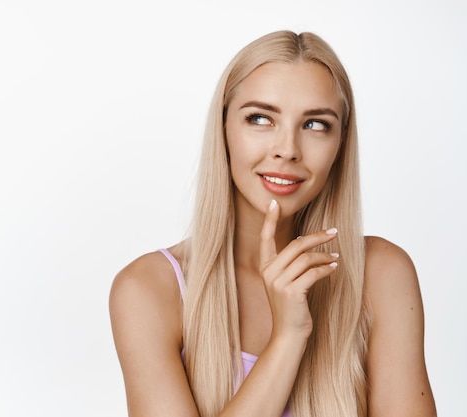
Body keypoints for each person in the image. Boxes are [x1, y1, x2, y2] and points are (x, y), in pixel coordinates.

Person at [109, 30, 436, 417]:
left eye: (315, 124)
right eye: (260, 118)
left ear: (340, 144)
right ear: (224, 128)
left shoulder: (382, 274)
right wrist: (288, 337)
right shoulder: (149, 290)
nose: (288, 149)